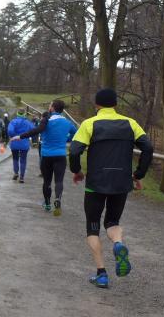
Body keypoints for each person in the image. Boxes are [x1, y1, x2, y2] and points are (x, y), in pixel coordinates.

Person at [69, 88, 153, 289]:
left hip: (96, 183)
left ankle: (101, 274)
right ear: (115, 104)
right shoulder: (130, 123)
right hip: (121, 182)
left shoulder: (90, 123)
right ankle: (118, 244)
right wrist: (138, 174)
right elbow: (148, 148)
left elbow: (74, 150)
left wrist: (77, 171)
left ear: (96, 104)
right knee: (112, 222)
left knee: (92, 226)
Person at [12, 100, 77, 215]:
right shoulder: (67, 122)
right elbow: (76, 133)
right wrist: (66, 139)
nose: (49, 107)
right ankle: (57, 198)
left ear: (52, 108)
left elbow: (35, 131)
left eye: (50, 105)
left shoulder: (46, 121)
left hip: (46, 156)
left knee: (47, 181)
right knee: (59, 181)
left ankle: (47, 204)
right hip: (60, 155)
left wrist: (20, 136)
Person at [7, 110, 34, 182]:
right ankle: (22, 177)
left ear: (17, 114)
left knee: (15, 158)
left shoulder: (13, 121)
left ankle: (16, 173)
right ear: (24, 114)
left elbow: (10, 131)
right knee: (23, 160)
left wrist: (13, 136)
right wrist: (28, 136)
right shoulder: (28, 122)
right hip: (24, 143)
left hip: (15, 142)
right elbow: (33, 130)